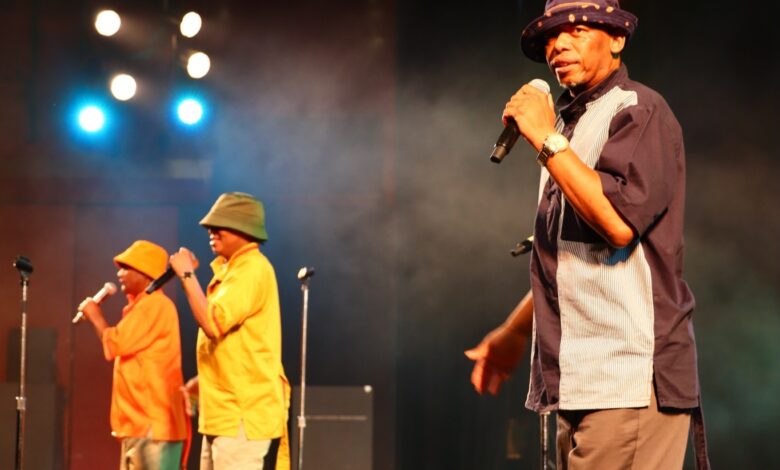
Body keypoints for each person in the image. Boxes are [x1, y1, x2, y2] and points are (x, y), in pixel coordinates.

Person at [465, 1, 710, 468]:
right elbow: (575, 259)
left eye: (576, 30)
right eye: (550, 37)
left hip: (629, 377)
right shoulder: (566, 129)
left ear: (617, 39)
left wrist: (545, 138)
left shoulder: (638, 110)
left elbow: (616, 224)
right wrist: (515, 331)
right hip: (582, 380)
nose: (557, 45)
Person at [169, 192, 290, 470]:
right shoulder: (233, 271)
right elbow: (235, 345)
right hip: (225, 414)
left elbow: (213, 323)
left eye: (220, 225)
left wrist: (187, 275)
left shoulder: (252, 269)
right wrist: (203, 380)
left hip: (241, 414)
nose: (211, 231)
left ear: (243, 229)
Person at [78, 240, 188, 470]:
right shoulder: (141, 307)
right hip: (140, 425)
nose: (119, 274)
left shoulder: (155, 305)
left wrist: (95, 315)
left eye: (126, 268)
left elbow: (115, 343)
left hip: (152, 425)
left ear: (146, 274)